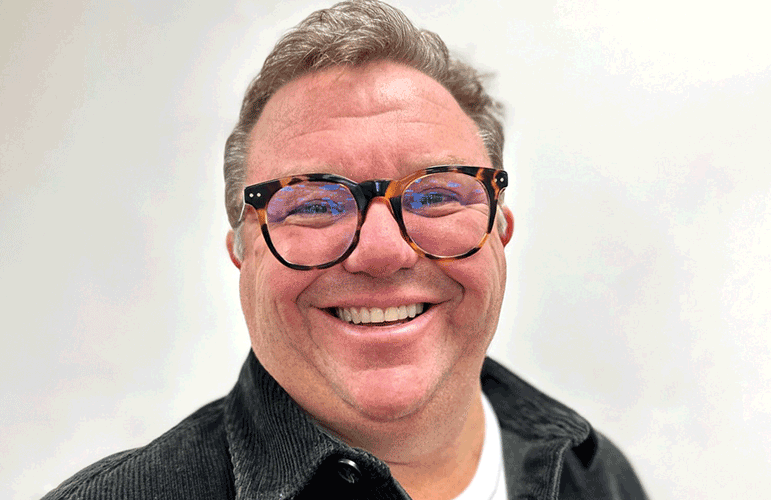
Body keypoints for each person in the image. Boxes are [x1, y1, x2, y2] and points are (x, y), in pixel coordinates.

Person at [44, 1, 648, 499]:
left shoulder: (595, 476)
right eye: (311, 204)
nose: (382, 250)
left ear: (499, 231)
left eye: (435, 195)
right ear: (240, 249)